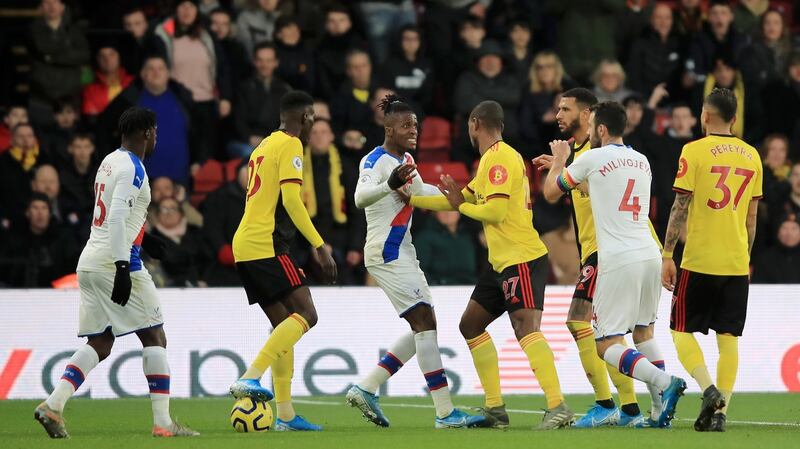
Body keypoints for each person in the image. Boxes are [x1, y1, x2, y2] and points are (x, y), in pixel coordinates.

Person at [34, 107, 197, 438]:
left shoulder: (109, 161)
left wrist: (146, 237)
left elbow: (115, 210)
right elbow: (118, 216)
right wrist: (124, 266)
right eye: (156, 134)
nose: (156, 139)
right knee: (154, 335)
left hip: (91, 260)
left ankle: (53, 405)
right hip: (116, 261)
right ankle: (164, 424)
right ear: (148, 133)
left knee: (102, 341)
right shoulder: (135, 169)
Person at [410, 101, 573, 429]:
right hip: (501, 264)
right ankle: (495, 408)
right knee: (470, 325)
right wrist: (409, 198)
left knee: (526, 329)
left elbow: (494, 212)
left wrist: (461, 205)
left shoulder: (499, 158)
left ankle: (558, 406)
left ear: (474, 124)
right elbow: (459, 200)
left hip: (522, 259)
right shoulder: (490, 161)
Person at [542, 100, 688, 429]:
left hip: (619, 259)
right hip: (649, 252)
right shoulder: (641, 160)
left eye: (592, 126)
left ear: (602, 130)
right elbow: (603, 188)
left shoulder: (591, 157)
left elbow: (552, 191)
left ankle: (665, 383)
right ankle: (656, 412)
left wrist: (562, 161)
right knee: (643, 331)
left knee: (606, 342)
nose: (590, 131)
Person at [345, 95, 485, 428]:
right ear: (388, 127)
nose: (414, 130)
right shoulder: (375, 160)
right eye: (406, 125)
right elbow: (359, 198)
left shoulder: (407, 158)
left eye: (416, 125)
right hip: (386, 251)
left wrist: (462, 197)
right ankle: (445, 413)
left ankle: (367, 387)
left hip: (403, 250)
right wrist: (389, 184)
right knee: (425, 324)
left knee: (423, 324)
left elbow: (421, 193)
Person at [228, 91, 336, 432]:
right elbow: (291, 200)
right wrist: (319, 246)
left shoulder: (263, 146)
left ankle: (286, 415)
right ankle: (249, 377)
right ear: (304, 118)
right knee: (307, 314)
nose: (314, 124)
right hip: (267, 244)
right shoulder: (291, 145)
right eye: (313, 118)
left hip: (245, 244)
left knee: (284, 327)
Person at [661, 88, 763, 432]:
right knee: (728, 338)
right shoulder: (752, 156)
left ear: (705, 116)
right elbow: (752, 219)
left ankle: (708, 390)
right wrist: (743, 256)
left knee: (679, 329)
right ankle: (722, 412)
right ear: (734, 118)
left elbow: (680, 207)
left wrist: (667, 254)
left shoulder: (693, 151)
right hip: (736, 262)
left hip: (699, 259)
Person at [2, 192, 79, 288]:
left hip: (58, 291)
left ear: (50, 213)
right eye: (35, 207)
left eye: (44, 208)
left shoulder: (63, 237)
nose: (40, 212)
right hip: (20, 292)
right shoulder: (15, 238)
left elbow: (73, 266)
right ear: (27, 213)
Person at [232, 42, 292, 158]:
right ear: (254, 62)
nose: (264, 65)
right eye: (260, 60)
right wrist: (249, 137)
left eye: (269, 61)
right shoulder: (244, 88)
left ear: (276, 63)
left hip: (274, 141)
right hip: (247, 141)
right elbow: (238, 120)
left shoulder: (285, 89)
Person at [415, 210, 478, 285]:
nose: (447, 213)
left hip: (470, 285)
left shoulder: (469, 235)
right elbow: (419, 268)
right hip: (439, 287)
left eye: (451, 209)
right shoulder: (425, 236)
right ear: (435, 212)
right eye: (442, 209)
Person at [82, 44, 134, 120]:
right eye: (102, 56)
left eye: (111, 54)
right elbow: (91, 120)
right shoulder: (90, 90)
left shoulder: (133, 82)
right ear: (97, 60)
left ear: (119, 57)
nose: (107, 59)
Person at [752, 215, 800, 284]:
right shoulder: (765, 259)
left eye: (794, 229)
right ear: (778, 232)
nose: (789, 233)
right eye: (784, 228)